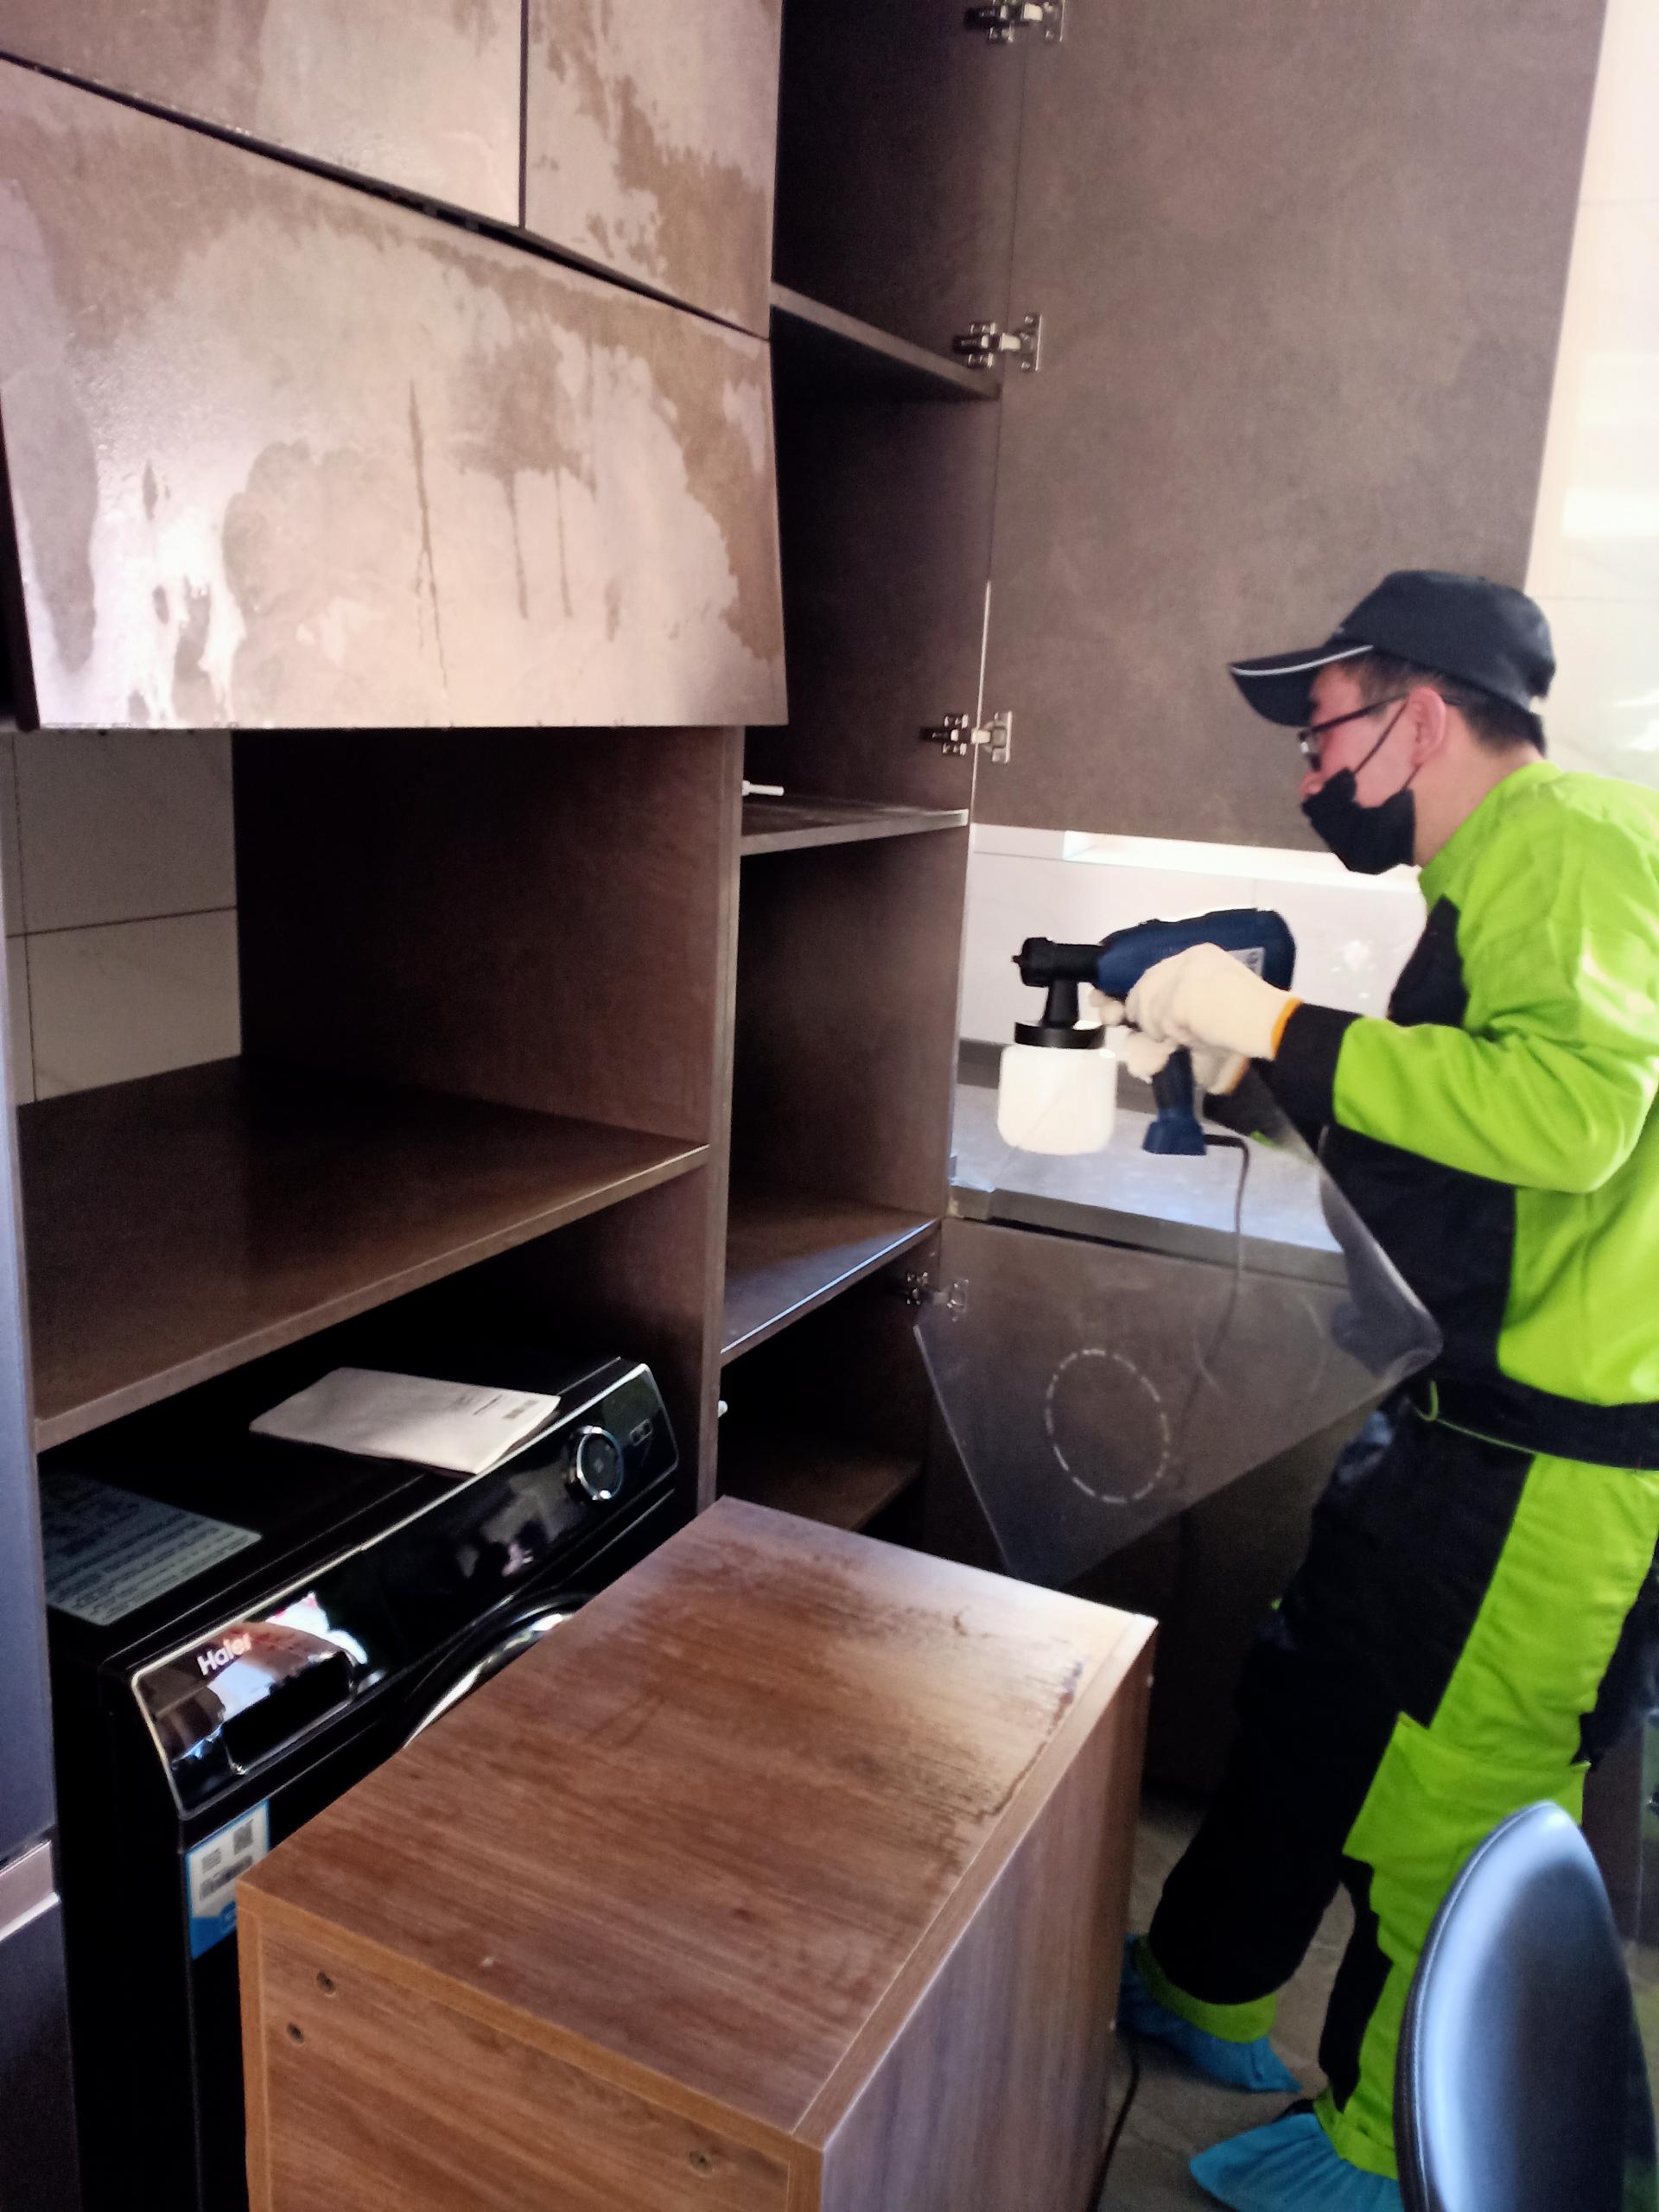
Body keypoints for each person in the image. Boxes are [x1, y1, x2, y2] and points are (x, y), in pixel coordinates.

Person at [1109, 571, 1659, 2211]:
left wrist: (1279, 1021)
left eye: (1319, 732)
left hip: (1556, 1464)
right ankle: (1206, 1983)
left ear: (1417, 718)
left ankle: (1383, 2158)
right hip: (1446, 1414)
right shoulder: (1487, 877)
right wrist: (1260, 1061)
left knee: (1451, 1803)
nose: (1306, 773)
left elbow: (1570, 1118)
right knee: (1312, 1706)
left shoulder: (1568, 836)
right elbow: (1466, 1138)